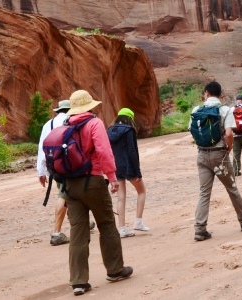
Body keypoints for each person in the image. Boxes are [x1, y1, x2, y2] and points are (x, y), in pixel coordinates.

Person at [62, 90, 132, 296]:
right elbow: (103, 150)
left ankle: (78, 281)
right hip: (92, 180)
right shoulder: (94, 123)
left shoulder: (65, 125)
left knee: (77, 231)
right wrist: (111, 176)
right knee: (107, 223)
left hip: (69, 184)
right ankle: (115, 270)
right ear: (89, 106)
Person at [190, 81, 242, 241]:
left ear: (206, 93)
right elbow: (229, 134)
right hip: (219, 155)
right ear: (221, 94)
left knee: (204, 192)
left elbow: (192, 130)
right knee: (232, 188)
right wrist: (228, 149)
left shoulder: (196, 110)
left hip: (202, 155)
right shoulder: (224, 110)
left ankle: (200, 229)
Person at [37, 100, 96, 246]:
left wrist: (41, 171)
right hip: (71, 164)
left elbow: (41, 147)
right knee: (64, 194)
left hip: (54, 165)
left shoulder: (48, 124)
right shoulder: (71, 121)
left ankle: (82, 221)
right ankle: (56, 233)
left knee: (69, 192)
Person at [107, 108, 148, 238]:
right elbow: (132, 151)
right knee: (141, 191)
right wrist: (138, 171)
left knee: (121, 198)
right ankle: (138, 221)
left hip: (116, 167)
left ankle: (122, 228)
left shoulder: (109, 130)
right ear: (130, 118)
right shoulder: (129, 130)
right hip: (129, 167)